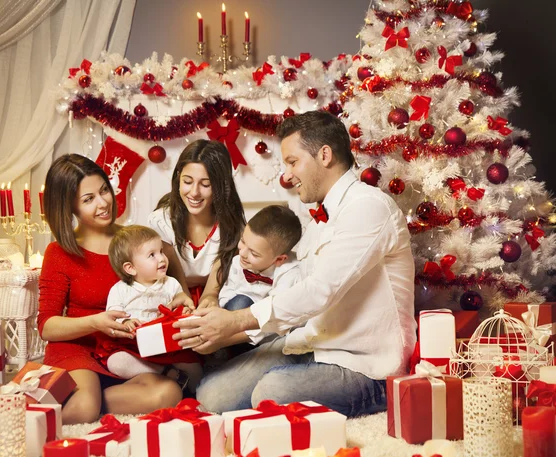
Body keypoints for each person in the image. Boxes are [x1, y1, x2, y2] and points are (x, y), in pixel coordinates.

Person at [174, 111, 417, 417]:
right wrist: (223, 332)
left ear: (324, 155)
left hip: (367, 365)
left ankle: (376, 397)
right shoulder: (320, 218)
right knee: (212, 395)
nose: (287, 175)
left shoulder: (368, 207)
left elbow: (319, 292)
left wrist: (236, 322)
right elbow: (295, 299)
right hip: (314, 345)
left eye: (292, 161)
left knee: (271, 391)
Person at [38, 154, 183, 425]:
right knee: (84, 409)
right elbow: (47, 325)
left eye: (104, 190)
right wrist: (95, 322)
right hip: (77, 348)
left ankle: (92, 394)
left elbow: (171, 293)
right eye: (88, 199)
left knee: (169, 392)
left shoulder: (135, 243)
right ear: (69, 207)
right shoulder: (58, 253)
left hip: (124, 351)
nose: (103, 202)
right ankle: (77, 398)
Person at [96, 225, 203, 391]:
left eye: (161, 251)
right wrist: (126, 321)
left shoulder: (170, 283)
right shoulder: (121, 289)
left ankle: (191, 390)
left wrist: (183, 299)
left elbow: (181, 302)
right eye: (152, 255)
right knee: (116, 362)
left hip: (166, 346)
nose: (161, 258)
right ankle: (162, 372)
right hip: (134, 346)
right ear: (130, 268)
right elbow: (113, 314)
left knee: (195, 367)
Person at [148, 139, 245, 309]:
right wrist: (187, 302)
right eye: (187, 182)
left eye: (206, 184)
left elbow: (212, 290)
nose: (194, 192)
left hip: (219, 292)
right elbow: (176, 283)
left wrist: (210, 296)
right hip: (174, 292)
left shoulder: (232, 223)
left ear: (221, 186)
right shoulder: (161, 221)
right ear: (178, 179)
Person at [219, 205, 302, 313]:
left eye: (254, 253)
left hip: (268, 315)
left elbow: (277, 309)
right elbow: (227, 291)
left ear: (279, 260)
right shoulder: (238, 262)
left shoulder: (289, 273)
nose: (242, 253)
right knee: (240, 302)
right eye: (243, 241)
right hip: (236, 307)